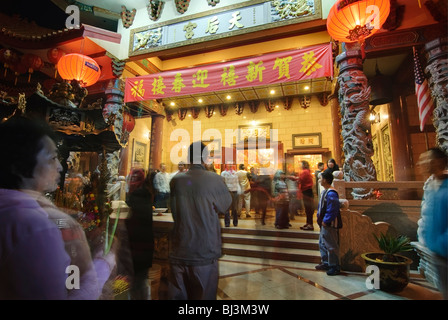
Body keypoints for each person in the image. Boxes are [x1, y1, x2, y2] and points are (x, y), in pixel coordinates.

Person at [0, 116, 115, 299]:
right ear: (18, 165)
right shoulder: (38, 226)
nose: (60, 167)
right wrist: (104, 264)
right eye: (52, 158)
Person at [167, 141, 232, 300]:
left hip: (179, 248)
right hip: (204, 251)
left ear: (188, 158)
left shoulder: (176, 180)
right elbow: (225, 206)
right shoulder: (214, 179)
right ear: (205, 158)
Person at [416, 147, 448, 299]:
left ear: (439, 162)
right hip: (437, 252)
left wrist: (442, 243)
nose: (420, 163)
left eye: (425, 160)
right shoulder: (431, 185)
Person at [125, 168, 155, 300]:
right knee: (140, 282)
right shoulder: (146, 195)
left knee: (137, 284)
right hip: (144, 248)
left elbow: (134, 226)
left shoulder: (136, 197)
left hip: (136, 248)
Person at [316, 169, 342, 276]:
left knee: (331, 245)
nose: (319, 180)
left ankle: (334, 266)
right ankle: (326, 262)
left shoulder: (331, 193)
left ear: (325, 180)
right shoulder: (325, 191)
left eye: (321, 178)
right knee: (322, 243)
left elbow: (332, 209)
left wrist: (326, 221)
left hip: (329, 224)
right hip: (324, 223)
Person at [297, 161, 315, 231]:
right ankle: (308, 223)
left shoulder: (305, 172)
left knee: (308, 209)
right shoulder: (307, 171)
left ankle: (310, 224)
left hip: (306, 191)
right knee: (308, 209)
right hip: (307, 191)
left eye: (300, 164)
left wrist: (293, 178)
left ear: (304, 165)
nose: (299, 166)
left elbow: (300, 180)